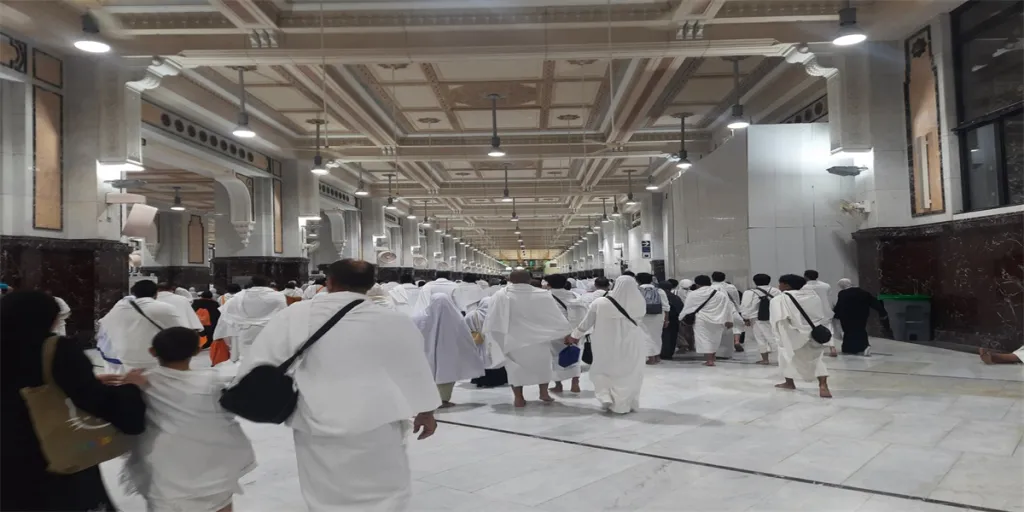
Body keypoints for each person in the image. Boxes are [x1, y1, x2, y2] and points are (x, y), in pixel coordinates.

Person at [237, 259, 440, 511]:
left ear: (329, 282)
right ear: (371, 285)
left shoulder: (295, 315)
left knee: (324, 492)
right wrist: (426, 410)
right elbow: (414, 369)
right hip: (377, 420)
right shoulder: (392, 320)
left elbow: (260, 363)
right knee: (382, 489)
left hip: (315, 418)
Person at [1, 290, 147, 511]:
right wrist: (131, 389)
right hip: (51, 452)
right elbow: (95, 399)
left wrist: (88, 380)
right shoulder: (54, 349)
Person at [123, 327, 255, 512]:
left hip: (166, 464)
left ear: (152, 351)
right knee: (219, 500)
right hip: (213, 459)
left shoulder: (143, 381)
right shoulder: (213, 381)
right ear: (197, 350)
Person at [483, 270, 572, 407]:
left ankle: (519, 398)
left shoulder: (500, 295)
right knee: (543, 367)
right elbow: (555, 317)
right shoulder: (543, 295)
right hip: (539, 339)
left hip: (512, 339)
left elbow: (492, 318)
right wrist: (566, 332)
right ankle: (544, 393)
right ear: (530, 279)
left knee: (514, 370)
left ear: (510, 279)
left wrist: (494, 337)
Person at [565, 275, 647, 414]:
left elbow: (586, 323)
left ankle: (606, 396)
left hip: (606, 341)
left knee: (603, 368)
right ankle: (626, 403)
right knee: (630, 371)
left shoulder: (601, 302)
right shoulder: (639, 302)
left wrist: (574, 336)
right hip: (633, 341)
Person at [413, 293, 485, 407]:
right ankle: (444, 400)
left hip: (427, 352)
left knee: (428, 375)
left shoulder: (421, 317)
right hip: (450, 354)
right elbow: (465, 336)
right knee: (446, 375)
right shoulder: (457, 319)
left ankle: (429, 400)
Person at [100, 280, 190, 370]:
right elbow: (180, 333)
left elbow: (104, 324)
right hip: (153, 357)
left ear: (133, 292)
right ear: (156, 293)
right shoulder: (165, 308)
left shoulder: (119, 307)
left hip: (122, 356)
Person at [771, 274, 832, 398]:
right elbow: (819, 314)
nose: (779, 286)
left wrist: (779, 336)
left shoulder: (779, 299)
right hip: (813, 333)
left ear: (786, 285)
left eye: (780, 283)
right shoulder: (813, 296)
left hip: (790, 335)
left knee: (786, 358)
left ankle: (789, 383)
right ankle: (823, 385)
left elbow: (778, 319)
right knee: (817, 360)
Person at [213, 276, 287, 362]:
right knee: (268, 354)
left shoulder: (240, 296)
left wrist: (238, 321)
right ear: (267, 284)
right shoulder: (278, 295)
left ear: (251, 283)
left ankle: (246, 372)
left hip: (247, 328)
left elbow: (227, 311)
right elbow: (283, 312)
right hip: (270, 328)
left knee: (246, 355)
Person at [680, 275, 737, 367]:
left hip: (701, 319)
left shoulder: (693, 294)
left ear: (697, 284)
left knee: (704, 339)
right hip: (719, 319)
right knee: (715, 339)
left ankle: (709, 360)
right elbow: (727, 307)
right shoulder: (720, 294)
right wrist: (729, 320)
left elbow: (688, 307)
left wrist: (681, 317)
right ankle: (713, 356)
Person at [546, 274, 587, 393]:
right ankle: (575, 383)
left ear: (548, 284)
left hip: (555, 332)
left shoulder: (545, 296)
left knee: (555, 358)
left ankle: (558, 385)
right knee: (575, 356)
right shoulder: (576, 296)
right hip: (575, 331)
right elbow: (583, 313)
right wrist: (577, 333)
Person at [832, 278, 887, 356]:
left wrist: (835, 314)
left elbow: (840, 305)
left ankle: (849, 348)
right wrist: (882, 312)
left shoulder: (843, 293)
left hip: (847, 316)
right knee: (860, 330)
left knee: (848, 331)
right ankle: (863, 346)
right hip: (861, 315)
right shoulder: (863, 292)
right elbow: (874, 302)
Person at [466, 296, 509, 388]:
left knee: (481, 360)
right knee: (496, 359)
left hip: (479, 341)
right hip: (496, 342)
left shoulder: (472, 315)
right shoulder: (498, 315)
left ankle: (481, 380)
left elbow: (466, 327)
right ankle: (499, 379)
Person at [740, 274, 780, 365]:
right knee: (775, 337)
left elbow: (745, 306)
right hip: (774, 317)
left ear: (754, 281)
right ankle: (782, 358)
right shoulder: (776, 291)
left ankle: (765, 359)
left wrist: (746, 318)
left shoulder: (749, 292)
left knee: (761, 339)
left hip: (757, 319)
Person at [636, 273, 670, 364]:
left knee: (645, 336)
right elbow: (666, 307)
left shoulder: (637, 291)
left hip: (642, 316)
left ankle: (651, 358)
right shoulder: (659, 291)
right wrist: (666, 319)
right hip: (658, 316)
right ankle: (657, 356)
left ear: (638, 281)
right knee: (657, 336)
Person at [804, 270, 838, 357]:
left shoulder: (804, 286)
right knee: (829, 329)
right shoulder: (826, 286)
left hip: (811, 311)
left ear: (806, 277)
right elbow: (830, 298)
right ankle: (832, 348)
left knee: (810, 330)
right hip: (825, 310)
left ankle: (814, 349)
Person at [711, 272, 744, 356]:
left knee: (719, 329)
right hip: (731, 308)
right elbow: (736, 298)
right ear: (724, 278)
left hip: (717, 310)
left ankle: (717, 348)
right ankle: (736, 341)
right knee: (737, 325)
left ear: (712, 278)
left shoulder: (711, 287)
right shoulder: (731, 287)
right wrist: (738, 308)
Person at [659, 281, 684, 360]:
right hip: (674, 320)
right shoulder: (675, 297)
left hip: (662, 319)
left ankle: (662, 353)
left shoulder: (659, 296)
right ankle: (669, 353)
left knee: (662, 336)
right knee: (672, 337)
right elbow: (681, 308)